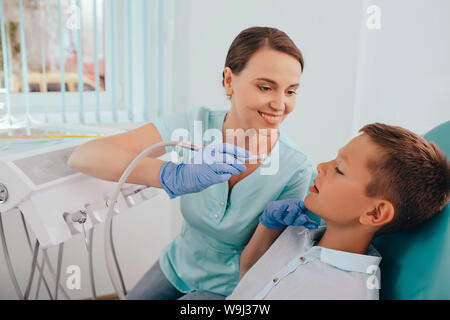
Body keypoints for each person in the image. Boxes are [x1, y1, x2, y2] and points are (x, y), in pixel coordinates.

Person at [68, 26, 319, 300]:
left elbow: (264, 266)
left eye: (291, 91)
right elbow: (85, 156)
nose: (279, 104)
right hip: (178, 265)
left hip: (233, 290)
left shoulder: (295, 169)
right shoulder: (194, 125)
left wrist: (269, 225)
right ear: (229, 81)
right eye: (265, 87)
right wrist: (173, 175)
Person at [228, 123, 450, 299]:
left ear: (375, 213)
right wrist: (268, 226)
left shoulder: (349, 293)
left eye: (339, 169)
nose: (321, 166)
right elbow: (247, 279)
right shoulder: (298, 232)